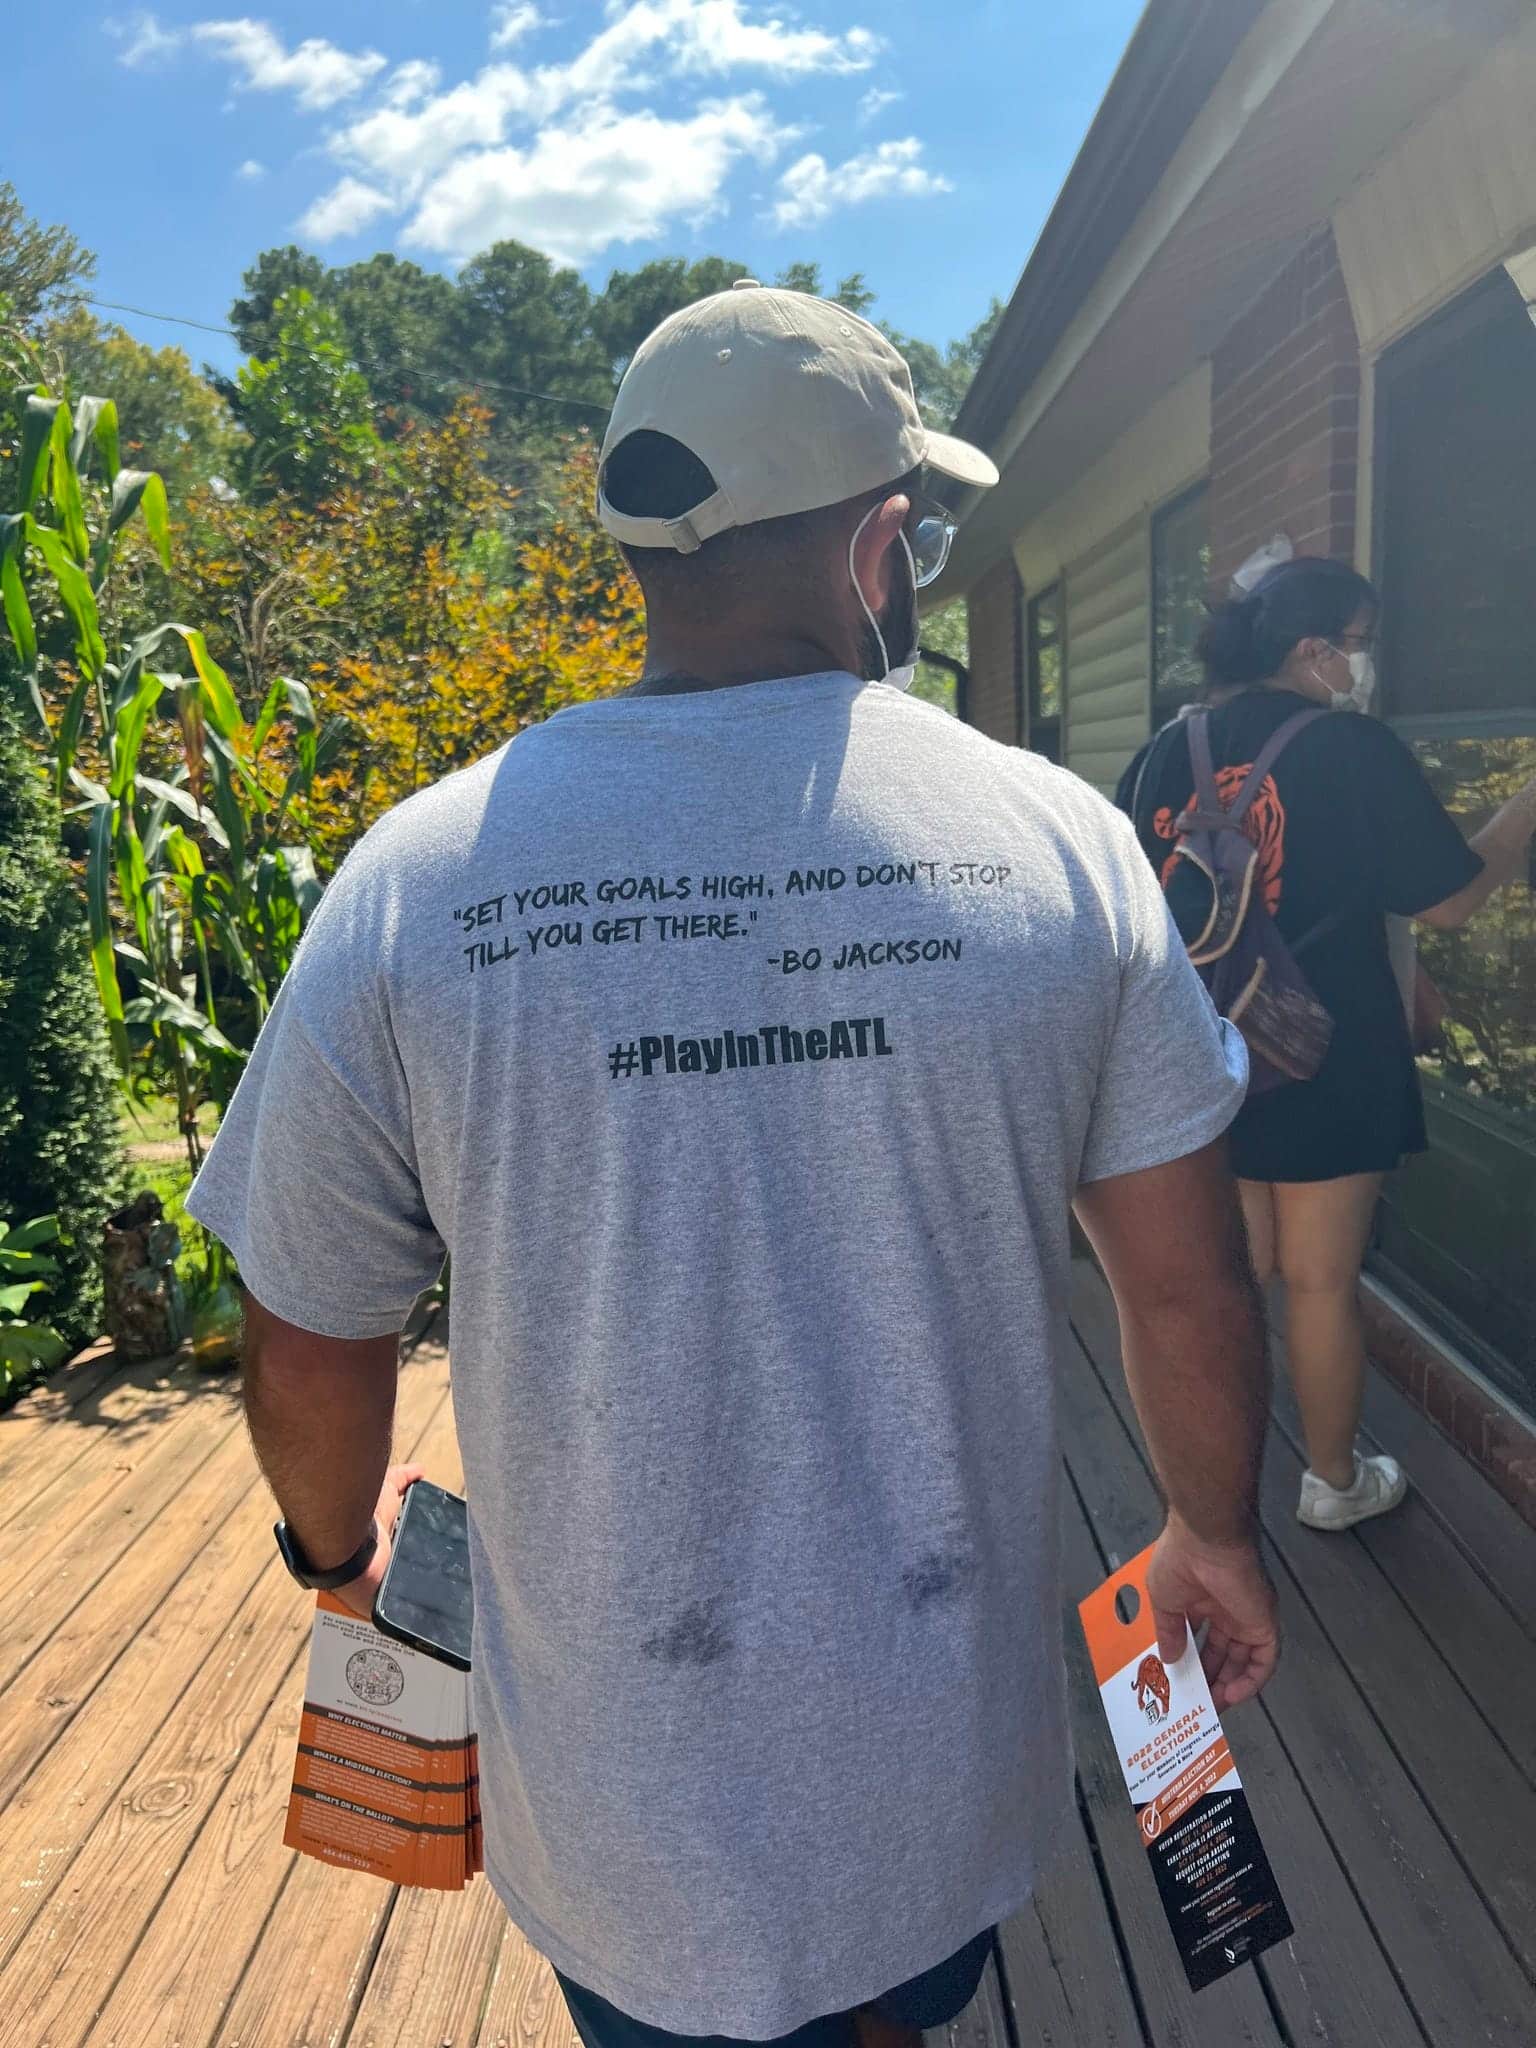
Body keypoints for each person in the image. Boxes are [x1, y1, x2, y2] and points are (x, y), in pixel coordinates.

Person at [189, 282, 1279, 2048]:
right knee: (905, 2002)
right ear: (876, 548)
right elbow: (1186, 1281)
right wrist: (1211, 1532)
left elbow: (308, 1325)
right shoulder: (1060, 847)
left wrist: (335, 1554)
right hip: (940, 1749)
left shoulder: (419, 881)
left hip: (620, 1790)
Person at [1118, 555, 1536, 1533]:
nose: (1364, 663)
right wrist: (1521, 813)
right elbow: (1446, 898)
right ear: (1313, 652)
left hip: (1200, 1045)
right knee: (1319, 1283)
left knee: (1230, 1281)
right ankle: (1334, 1481)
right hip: (1327, 1052)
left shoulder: (1164, 750)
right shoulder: (1351, 746)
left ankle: (1203, 1497)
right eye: (1358, 643)